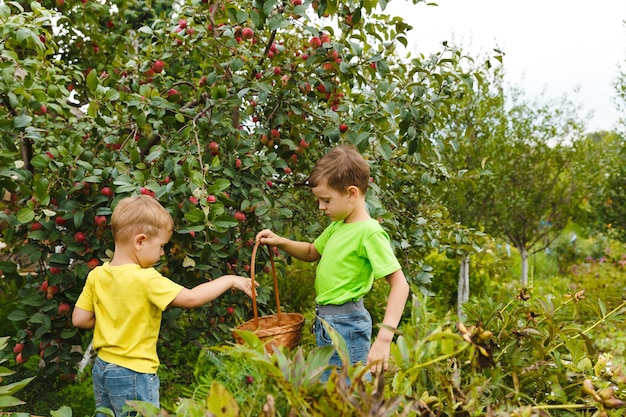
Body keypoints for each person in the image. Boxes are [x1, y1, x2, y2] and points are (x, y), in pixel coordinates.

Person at [72, 194, 256, 416]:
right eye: (160, 246)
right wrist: (230, 280)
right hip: (134, 372)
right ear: (140, 241)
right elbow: (191, 298)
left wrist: (113, 320)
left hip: (103, 369)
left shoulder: (97, 275)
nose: (161, 253)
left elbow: (80, 319)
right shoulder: (146, 279)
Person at [256, 145, 410, 380]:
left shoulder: (369, 232)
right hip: (327, 323)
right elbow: (310, 251)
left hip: (347, 326)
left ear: (351, 193)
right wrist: (279, 241)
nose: (321, 207)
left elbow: (400, 285)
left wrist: (384, 339)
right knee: (331, 395)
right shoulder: (338, 226)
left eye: (326, 200)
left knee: (351, 395)